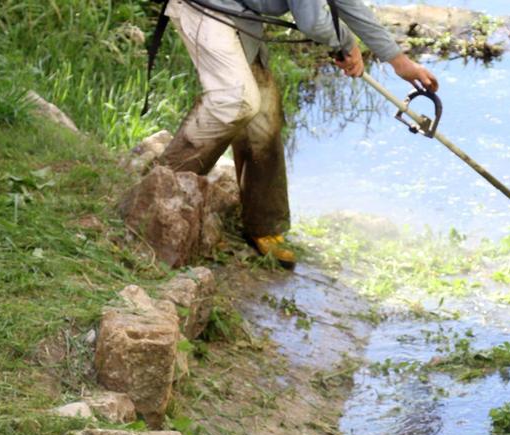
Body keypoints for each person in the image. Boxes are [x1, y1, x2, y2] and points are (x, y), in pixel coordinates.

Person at [156, 0, 438, 268]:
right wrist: (346, 43)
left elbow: (345, 4)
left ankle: (264, 226)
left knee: (264, 114)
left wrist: (397, 59)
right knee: (236, 101)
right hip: (206, 8)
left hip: (242, 14)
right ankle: (157, 194)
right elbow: (313, 22)